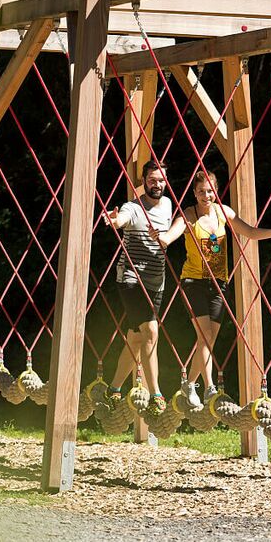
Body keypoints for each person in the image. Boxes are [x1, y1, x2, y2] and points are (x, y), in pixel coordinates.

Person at [150, 170, 271, 404]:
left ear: (215, 191)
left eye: (210, 191)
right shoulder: (189, 215)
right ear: (194, 193)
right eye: (201, 191)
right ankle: (209, 387)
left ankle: (189, 384)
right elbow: (170, 236)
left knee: (209, 339)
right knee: (205, 335)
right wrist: (161, 238)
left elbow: (250, 232)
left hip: (218, 283)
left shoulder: (223, 212)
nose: (206, 196)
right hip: (193, 282)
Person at [103, 160, 173, 413]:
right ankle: (156, 395)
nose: (157, 184)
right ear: (143, 181)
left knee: (135, 338)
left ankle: (113, 389)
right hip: (131, 279)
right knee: (151, 332)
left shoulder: (168, 204)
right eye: (152, 180)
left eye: (161, 180)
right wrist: (114, 221)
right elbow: (121, 220)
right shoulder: (132, 208)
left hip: (156, 282)